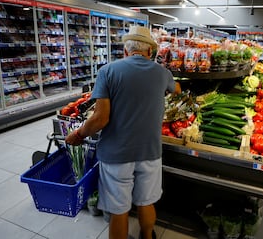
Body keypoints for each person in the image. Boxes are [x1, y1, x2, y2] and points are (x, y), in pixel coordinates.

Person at [66, 26, 181, 239]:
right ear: (150, 52)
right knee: (146, 202)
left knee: (119, 210)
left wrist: (79, 134)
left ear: (125, 51)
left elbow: (100, 118)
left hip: (116, 153)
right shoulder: (162, 73)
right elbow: (178, 90)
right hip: (150, 151)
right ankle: (147, 236)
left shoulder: (108, 71)